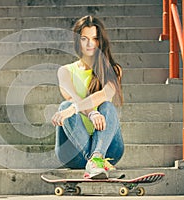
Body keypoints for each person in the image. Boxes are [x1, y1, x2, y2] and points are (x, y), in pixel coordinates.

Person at [51, 15, 124, 179]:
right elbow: (73, 98)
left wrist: (79, 109)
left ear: (101, 41)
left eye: (95, 38)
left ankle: (96, 158)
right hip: (73, 152)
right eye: (84, 39)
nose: (90, 44)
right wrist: (91, 113)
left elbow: (105, 94)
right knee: (64, 106)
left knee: (107, 106)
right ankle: (94, 162)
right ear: (78, 41)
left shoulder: (114, 70)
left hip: (108, 150)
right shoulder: (65, 71)